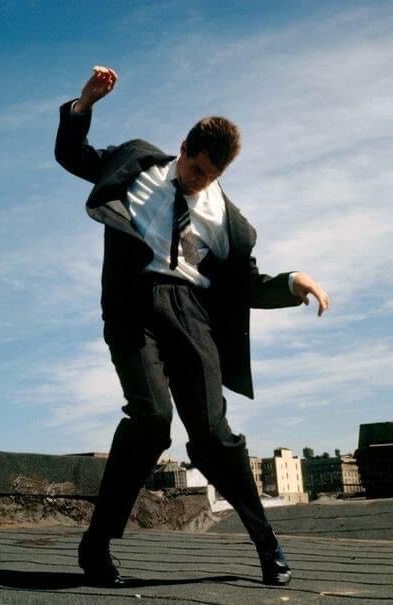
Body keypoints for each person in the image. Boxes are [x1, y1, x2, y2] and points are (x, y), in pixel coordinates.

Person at [55, 66, 329, 588]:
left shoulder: (227, 219)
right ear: (183, 146)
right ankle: (97, 543)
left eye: (209, 175)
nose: (197, 180)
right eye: (194, 167)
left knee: (214, 439)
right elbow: (75, 157)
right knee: (152, 420)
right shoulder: (137, 163)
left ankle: (266, 545)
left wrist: (293, 282)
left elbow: (246, 285)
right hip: (133, 305)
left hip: (189, 312)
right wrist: (85, 104)